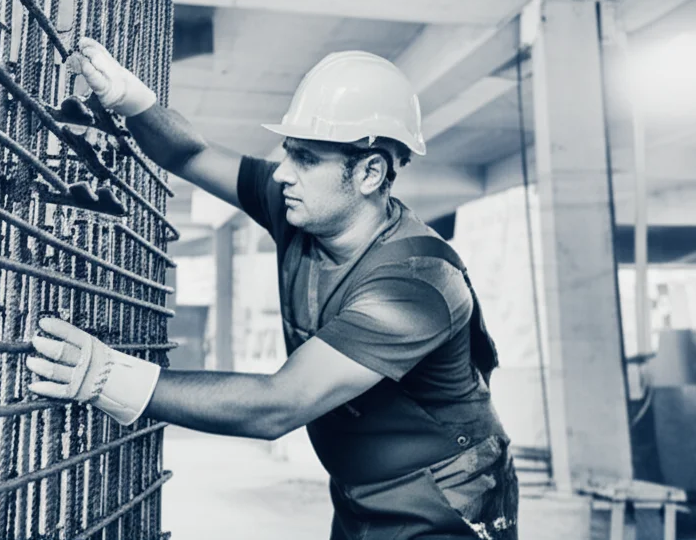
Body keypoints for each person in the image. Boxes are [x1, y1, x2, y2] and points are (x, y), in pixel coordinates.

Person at [26, 37, 519, 539]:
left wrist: (109, 376)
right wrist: (134, 102)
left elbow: (278, 404)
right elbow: (192, 152)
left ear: (370, 172)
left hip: (445, 501)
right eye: (288, 153)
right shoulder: (300, 207)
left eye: (305, 158)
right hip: (359, 492)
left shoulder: (416, 284)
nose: (283, 173)